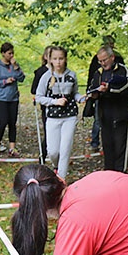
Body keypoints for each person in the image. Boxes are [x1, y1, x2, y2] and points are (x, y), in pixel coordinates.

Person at [34, 46, 84, 179]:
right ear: (50, 59)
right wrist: (54, 102)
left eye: (61, 58)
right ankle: (56, 166)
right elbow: (39, 96)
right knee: (53, 151)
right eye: (55, 59)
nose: (58, 62)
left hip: (70, 116)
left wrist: (80, 98)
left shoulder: (71, 75)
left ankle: (61, 179)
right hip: (53, 117)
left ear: (65, 59)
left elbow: (75, 93)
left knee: (65, 148)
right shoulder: (46, 76)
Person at [87, 46, 128, 171]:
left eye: (105, 60)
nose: (102, 63)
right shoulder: (98, 73)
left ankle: (121, 173)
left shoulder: (123, 70)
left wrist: (109, 88)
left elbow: (125, 85)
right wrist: (93, 94)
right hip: (104, 114)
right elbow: (91, 88)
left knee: (120, 145)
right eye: (100, 61)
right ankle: (109, 172)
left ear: (112, 57)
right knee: (107, 145)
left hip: (121, 114)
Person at [87, 35, 125, 151]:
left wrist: (111, 87)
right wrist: (91, 92)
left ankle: (115, 145)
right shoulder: (96, 59)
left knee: (116, 122)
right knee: (98, 119)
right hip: (101, 96)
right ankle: (95, 142)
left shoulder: (118, 58)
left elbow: (123, 77)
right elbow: (92, 74)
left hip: (116, 97)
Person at [0, 42, 26, 157]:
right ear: (3, 53)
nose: (11, 55)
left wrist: (16, 67)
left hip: (13, 98)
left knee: (12, 123)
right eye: (9, 53)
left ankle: (12, 148)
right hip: (0, 98)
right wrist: (5, 82)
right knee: (3, 121)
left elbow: (22, 78)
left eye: (12, 53)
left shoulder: (14, 65)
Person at [31, 45, 52, 162]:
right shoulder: (40, 72)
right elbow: (34, 89)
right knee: (48, 132)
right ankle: (42, 157)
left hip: (60, 107)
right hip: (47, 106)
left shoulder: (59, 70)